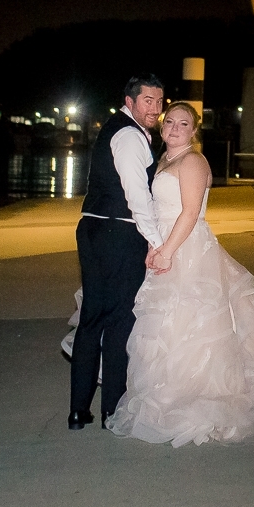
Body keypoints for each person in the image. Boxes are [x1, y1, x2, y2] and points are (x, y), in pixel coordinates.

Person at [106, 101, 254, 446]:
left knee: (198, 327)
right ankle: (171, 393)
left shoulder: (193, 161)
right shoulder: (166, 159)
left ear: (194, 131)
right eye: (169, 122)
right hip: (167, 245)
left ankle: (207, 400)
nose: (173, 128)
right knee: (169, 326)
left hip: (188, 250)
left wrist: (167, 250)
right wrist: (155, 245)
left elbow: (190, 213)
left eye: (182, 124)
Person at [68, 75, 165, 430]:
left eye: (159, 101)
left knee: (92, 319)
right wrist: (155, 241)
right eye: (148, 101)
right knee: (120, 320)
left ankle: (79, 412)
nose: (154, 108)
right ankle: (112, 410)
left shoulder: (118, 128)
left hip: (93, 228)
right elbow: (137, 196)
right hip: (119, 232)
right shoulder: (128, 135)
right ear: (130, 100)